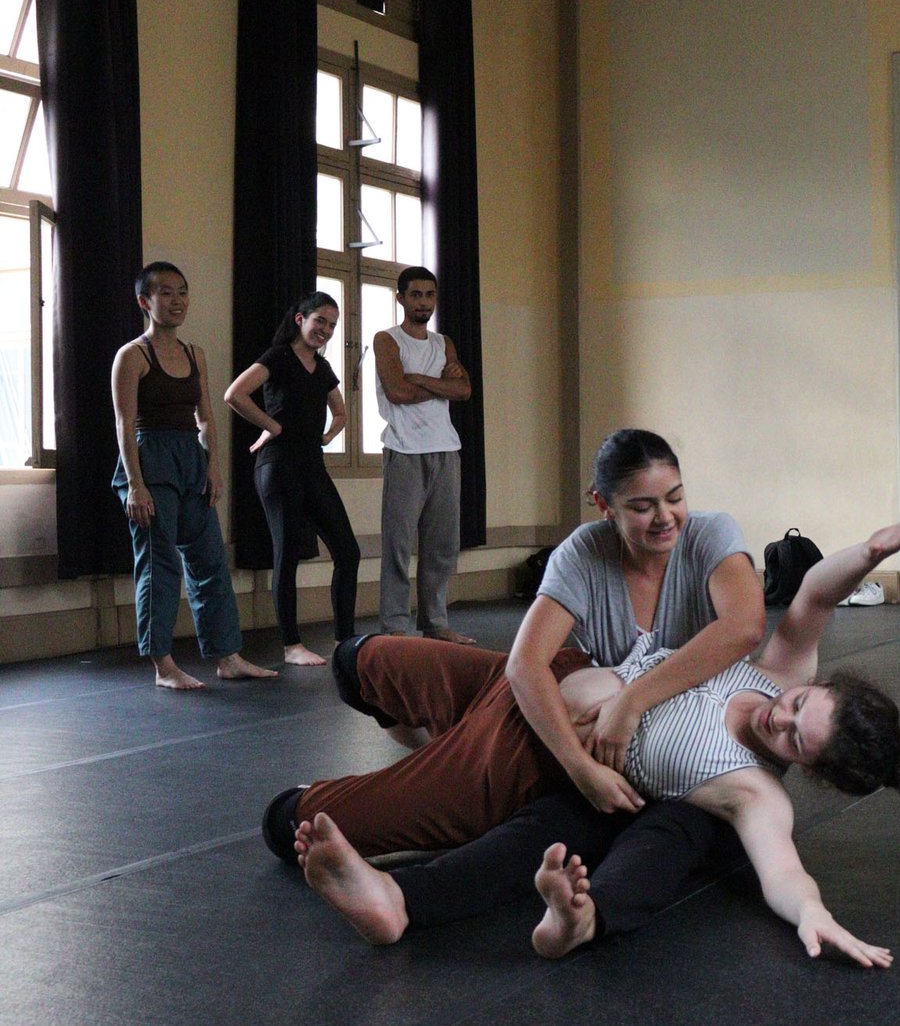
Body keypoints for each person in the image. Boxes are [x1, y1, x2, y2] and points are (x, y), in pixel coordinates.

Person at [292, 509, 900, 965]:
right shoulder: (780, 671)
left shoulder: (755, 795)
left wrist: (813, 912)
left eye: (795, 741)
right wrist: (871, 554)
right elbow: (814, 598)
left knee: (292, 819)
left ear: (808, 769)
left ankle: (399, 884)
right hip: (539, 685)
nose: (780, 719)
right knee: (356, 660)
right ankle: (430, 737)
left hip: (544, 765)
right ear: (811, 685)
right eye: (798, 706)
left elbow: (784, 872)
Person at [260, 428, 766, 859]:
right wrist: (580, 767)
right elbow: (525, 667)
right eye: (642, 506)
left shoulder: (709, 535)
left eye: (674, 497)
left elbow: (743, 627)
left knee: (286, 821)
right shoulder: (584, 551)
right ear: (602, 504)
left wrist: (632, 702)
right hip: (560, 696)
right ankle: (442, 748)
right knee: (355, 660)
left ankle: (408, 776)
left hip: (580, 724)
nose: (665, 517)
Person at [110, 262, 277, 690]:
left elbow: (206, 417)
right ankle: (163, 665)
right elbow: (125, 426)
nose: (176, 300)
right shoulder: (132, 356)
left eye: (182, 291)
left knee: (209, 562)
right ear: (145, 302)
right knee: (160, 564)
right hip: (151, 460)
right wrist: (136, 485)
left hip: (190, 459)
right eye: (165, 292)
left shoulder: (194, 353)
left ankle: (227, 655)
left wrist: (213, 465)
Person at [224, 292, 361, 665]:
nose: (326, 330)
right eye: (320, 321)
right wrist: (272, 426)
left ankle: (344, 639)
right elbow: (235, 394)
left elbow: (341, 413)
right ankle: (292, 646)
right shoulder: (278, 357)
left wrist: (328, 437)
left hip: (312, 466)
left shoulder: (323, 366)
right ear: (300, 319)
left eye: (332, 325)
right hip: (277, 465)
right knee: (286, 555)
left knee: (348, 550)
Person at [374, 265, 474, 644]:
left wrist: (422, 380)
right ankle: (395, 625)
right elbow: (397, 392)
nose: (423, 302)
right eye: (415, 295)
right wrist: (443, 385)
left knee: (443, 545)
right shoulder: (387, 340)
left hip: (446, 450)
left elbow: (464, 390)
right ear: (400, 298)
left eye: (429, 295)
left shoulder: (442, 342)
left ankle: (435, 622)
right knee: (398, 544)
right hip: (404, 450)